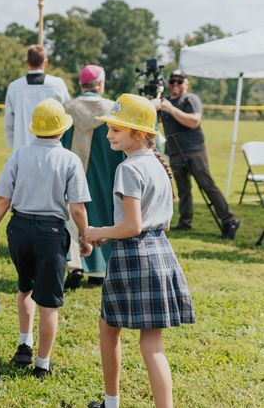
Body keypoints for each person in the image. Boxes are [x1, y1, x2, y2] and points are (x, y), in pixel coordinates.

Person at [83, 94, 196, 408]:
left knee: (109, 327)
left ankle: (111, 402)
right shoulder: (158, 166)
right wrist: (113, 232)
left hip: (133, 256)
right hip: (160, 251)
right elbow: (159, 223)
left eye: (116, 130)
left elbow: (132, 226)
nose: (108, 135)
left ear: (139, 133)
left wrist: (98, 232)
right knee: (152, 344)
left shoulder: (128, 169)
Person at [0, 98, 92, 379]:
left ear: (34, 128)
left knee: (25, 288)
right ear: (62, 130)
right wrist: (85, 236)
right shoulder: (70, 159)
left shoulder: (20, 154)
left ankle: (24, 343)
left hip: (19, 228)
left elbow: (3, 200)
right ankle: (42, 364)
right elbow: (77, 208)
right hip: (51, 233)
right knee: (49, 302)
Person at [152, 70, 240, 239]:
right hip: (175, 150)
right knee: (183, 189)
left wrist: (170, 109)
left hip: (194, 150)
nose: (175, 85)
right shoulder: (166, 101)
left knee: (207, 185)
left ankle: (229, 221)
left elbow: (194, 121)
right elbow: (156, 120)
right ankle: (185, 222)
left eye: (179, 81)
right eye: (172, 81)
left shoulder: (190, 99)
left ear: (186, 84)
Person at [61, 65, 126, 288]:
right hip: (105, 173)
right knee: (102, 210)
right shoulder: (113, 110)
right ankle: (99, 270)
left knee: (73, 211)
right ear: (100, 84)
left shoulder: (66, 109)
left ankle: (74, 264)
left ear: (81, 84)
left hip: (71, 172)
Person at [4, 44, 71, 151]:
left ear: (27, 62)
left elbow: (9, 119)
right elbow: (67, 114)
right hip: (52, 146)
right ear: (45, 62)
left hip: (21, 145)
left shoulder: (14, 87)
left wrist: (12, 142)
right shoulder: (58, 84)